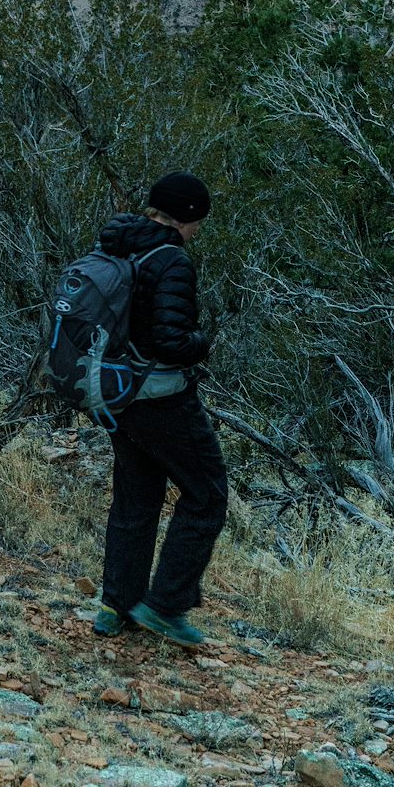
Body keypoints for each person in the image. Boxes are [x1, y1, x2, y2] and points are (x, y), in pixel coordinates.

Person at [92, 170, 227, 648]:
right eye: (198, 223)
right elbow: (170, 341)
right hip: (160, 396)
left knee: (136, 498)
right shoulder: (171, 259)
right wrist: (201, 343)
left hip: (112, 392)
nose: (197, 233)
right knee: (207, 495)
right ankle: (166, 607)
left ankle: (116, 605)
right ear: (187, 217)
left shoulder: (116, 244)